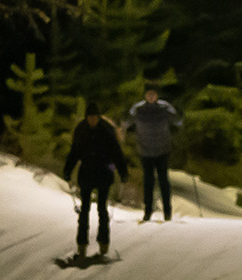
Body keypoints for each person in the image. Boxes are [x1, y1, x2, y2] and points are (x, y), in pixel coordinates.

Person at [62, 104, 128, 258]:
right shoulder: (81, 130)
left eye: (94, 117)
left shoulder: (107, 130)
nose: (92, 120)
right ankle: (82, 243)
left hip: (104, 172)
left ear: (98, 117)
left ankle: (104, 242)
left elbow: (116, 152)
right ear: (87, 118)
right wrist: (68, 170)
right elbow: (75, 152)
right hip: (86, 172)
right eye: (90, 117)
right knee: (84, 210)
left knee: (102, 209)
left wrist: (122, 171)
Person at [124, 86, 184, 222]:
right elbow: (127, 123)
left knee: (163, 181)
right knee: (148, 182)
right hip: (145, 151)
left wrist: (180, 113)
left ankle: (167, 211)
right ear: (145, 95)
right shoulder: (138, 109)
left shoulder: (165, 108)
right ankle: (148, 211)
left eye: (153, 94)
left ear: (156, 95)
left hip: (162, 150)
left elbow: (178, 122)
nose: (151, 96)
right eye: (149, 94)